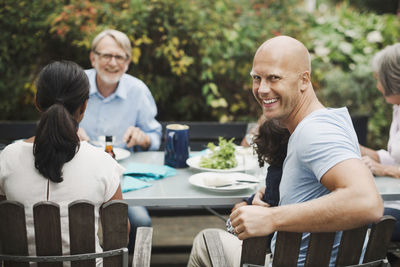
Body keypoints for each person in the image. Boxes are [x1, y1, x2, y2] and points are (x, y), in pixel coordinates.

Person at [188, 36, 383, 267]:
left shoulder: (314, 131)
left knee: (205, 240)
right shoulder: (333, 119)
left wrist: (272, 218)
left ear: (304, 80)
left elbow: (367, 202)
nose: (261, 89)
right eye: (256, 78)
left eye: (274, 78)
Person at [0, 61, 127, 265]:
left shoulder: (7, 158)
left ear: (37, 102)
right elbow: (120, 229)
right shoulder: (103, 163)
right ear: (84, 106)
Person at [78, 29, 162, 253]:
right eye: (106, 55)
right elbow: (52, 124)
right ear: (93, 57)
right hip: (78, 176)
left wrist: (143, 139)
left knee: (140, 222)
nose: (112, 62)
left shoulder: (138, 90)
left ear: (128, 62)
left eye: (119, 57)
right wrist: (69, 132)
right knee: (73, 221)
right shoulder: (76, 84)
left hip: (123, 182)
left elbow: (155, 136)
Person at [359, 44, 400, 264]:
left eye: (379, 78)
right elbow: (394, 158)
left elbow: (391, 166)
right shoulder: (398, 108)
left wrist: (384, 169)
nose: (377, 86)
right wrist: (357, 149)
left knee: (358, 213)